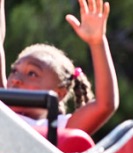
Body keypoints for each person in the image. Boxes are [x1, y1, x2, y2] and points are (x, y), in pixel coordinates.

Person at [1, 0, 118, 135]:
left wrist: (97, 42)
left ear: (59, 93)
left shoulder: (60, 128)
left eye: (32, 73)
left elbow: (105, 105)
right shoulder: (3, 109)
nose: (16, 79)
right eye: (14, 71)